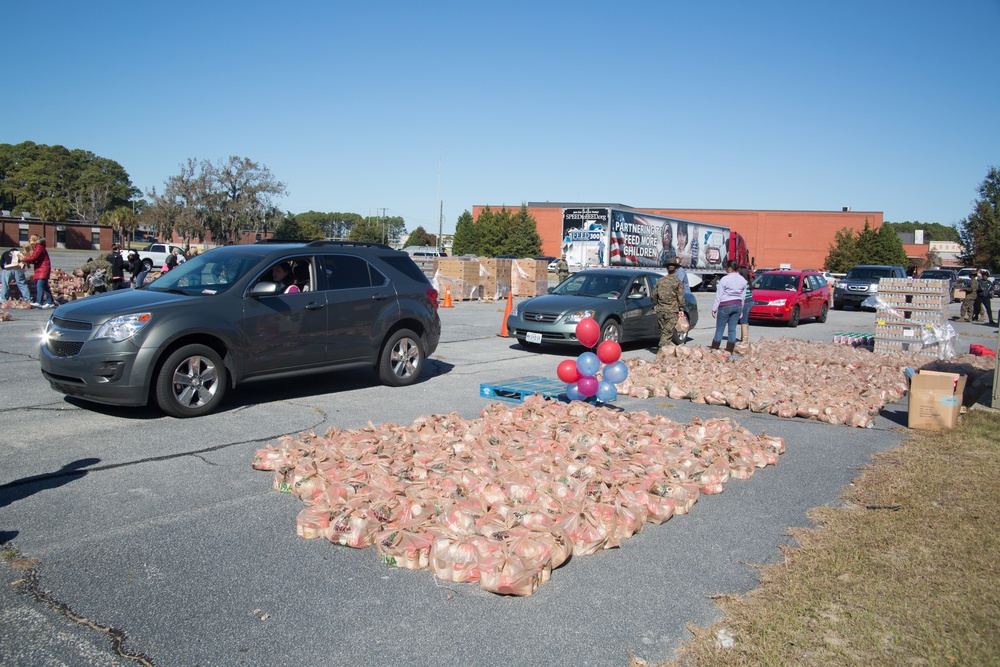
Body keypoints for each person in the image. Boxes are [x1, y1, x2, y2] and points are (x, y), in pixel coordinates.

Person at [709, 260, 747, 353]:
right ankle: (729, 351)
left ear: (730, 268)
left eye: (726, 267)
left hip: (725, 305)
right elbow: (743, 297)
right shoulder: (743, 280)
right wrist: (741, 309)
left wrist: (714, 308)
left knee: (720, 329)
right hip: (737, 305)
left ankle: (714, 350)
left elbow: (719, 295)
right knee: (732, 330)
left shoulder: (724, 279)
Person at [651, 258, 686, 349]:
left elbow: (653, 295)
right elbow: (680, 298)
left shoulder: (660, 281)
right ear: (676, 269)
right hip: (672, 312)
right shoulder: (677, 282)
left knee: (664, 332)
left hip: (661, 311)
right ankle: (662, 354)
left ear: (667, 269)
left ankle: (666, 352)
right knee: (667, 334)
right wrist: (681, 309)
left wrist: (656, 305)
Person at [21, 234, 56, 308]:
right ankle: (50, 302)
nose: (29, 240)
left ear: (34, 240)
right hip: (41, 268)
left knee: (39, 285)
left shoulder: (39, 247)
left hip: (43, 269)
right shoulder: (38, 247)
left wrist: (24, 259)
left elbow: (34, 257)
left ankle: (38, 302)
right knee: (45, 286)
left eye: (31, 238)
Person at [737, 265, 754, 343]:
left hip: (746, 302)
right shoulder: (748, 281)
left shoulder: (742, 282)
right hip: (750, 301)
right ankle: (743, 338)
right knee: (744, 319)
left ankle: (744, 339)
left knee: (744, 320)